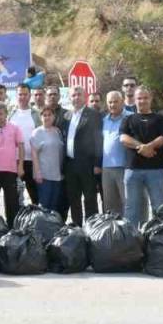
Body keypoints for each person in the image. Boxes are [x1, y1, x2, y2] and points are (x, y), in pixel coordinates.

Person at [119, 87, 163, 228]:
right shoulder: (128, 119)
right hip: (132, 170)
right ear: (134, 100)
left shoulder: (161, 119)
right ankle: (131, 239)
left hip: (155, 170)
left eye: (145, 98)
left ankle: (158, 238)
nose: (142, 101)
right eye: (139, 98)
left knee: (158, 207)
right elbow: (123, 138)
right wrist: (141, 147)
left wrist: (149, 146)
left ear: (150, 99)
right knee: (131, 207)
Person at [63, 85, 102, 225]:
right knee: (74, 198)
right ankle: (77, 227)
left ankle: (92, 227)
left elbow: (99, 140)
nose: (76, 97)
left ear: (85, 97)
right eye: (73, 95)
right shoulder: (66, 116)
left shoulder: (93, 115)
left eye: (79, 94)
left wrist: (98, 163)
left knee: (90, 198)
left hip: (88, 164)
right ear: (69, 98)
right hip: (70, 164)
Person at [30, 107, 65, 211]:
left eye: (49, 115)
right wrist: (37, 172)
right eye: (44, 115)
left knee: (54, 205)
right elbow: (34, 153)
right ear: (41, 117)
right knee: (44, 205)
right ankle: (43, 227)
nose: (47, 117)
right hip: (44, 176)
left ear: (54, 117)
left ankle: (53, 226)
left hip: (57, 175)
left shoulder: (57, 131)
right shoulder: (37, 132)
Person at [100, 91, 129, 215]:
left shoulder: (130, 117)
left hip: (125, 167)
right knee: (110, 204)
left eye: (115, 101)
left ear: (122, 101)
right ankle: (114, 232)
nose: (112, 105)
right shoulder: (104, 120)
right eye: (110, 102)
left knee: (127, 203)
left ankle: (129, 231)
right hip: (106, 168)